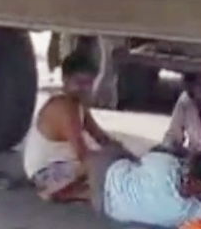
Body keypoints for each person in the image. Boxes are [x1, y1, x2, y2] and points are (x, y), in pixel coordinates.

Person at [22, 50, 131, 201]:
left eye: (88, 83)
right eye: (79, 83)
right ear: (64, 80)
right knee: (100, 166)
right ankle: (57, 191)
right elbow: (83, 155)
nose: (85, 89)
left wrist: (128, 156)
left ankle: (80, 191)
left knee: (111, 159)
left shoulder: (77, 105)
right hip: (46, 172)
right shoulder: (63, 108)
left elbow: (101, 138)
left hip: (66, 166)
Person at [84, 144, 201, 229]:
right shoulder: (185, 212)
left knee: (119, 151)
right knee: (123, 157)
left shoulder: (164, 162)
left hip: (106, 172)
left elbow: (145, 157)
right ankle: (83, 189)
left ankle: (80, 180)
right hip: (106, 208)